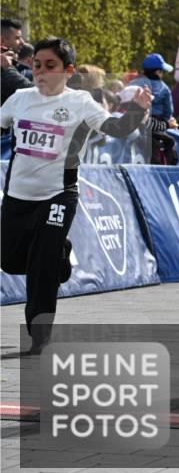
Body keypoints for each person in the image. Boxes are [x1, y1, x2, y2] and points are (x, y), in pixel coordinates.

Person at [0, 37, 151, 352]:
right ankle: (60, 253)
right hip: (17, 195)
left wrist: (137, 111)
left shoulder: (80, 102)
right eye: (36, 65)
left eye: (50, 66)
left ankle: (39, 337)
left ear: (68, 70)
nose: (41, 72)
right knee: (11, 260)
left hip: (58, 195)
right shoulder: (19, 98)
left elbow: (117, 128)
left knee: (41, 266)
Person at [129, 53, 176, 131]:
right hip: (156, 127)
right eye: (162, 72)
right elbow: (169, 112)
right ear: (158, 72)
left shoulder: (133, 83)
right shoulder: (164, 88)